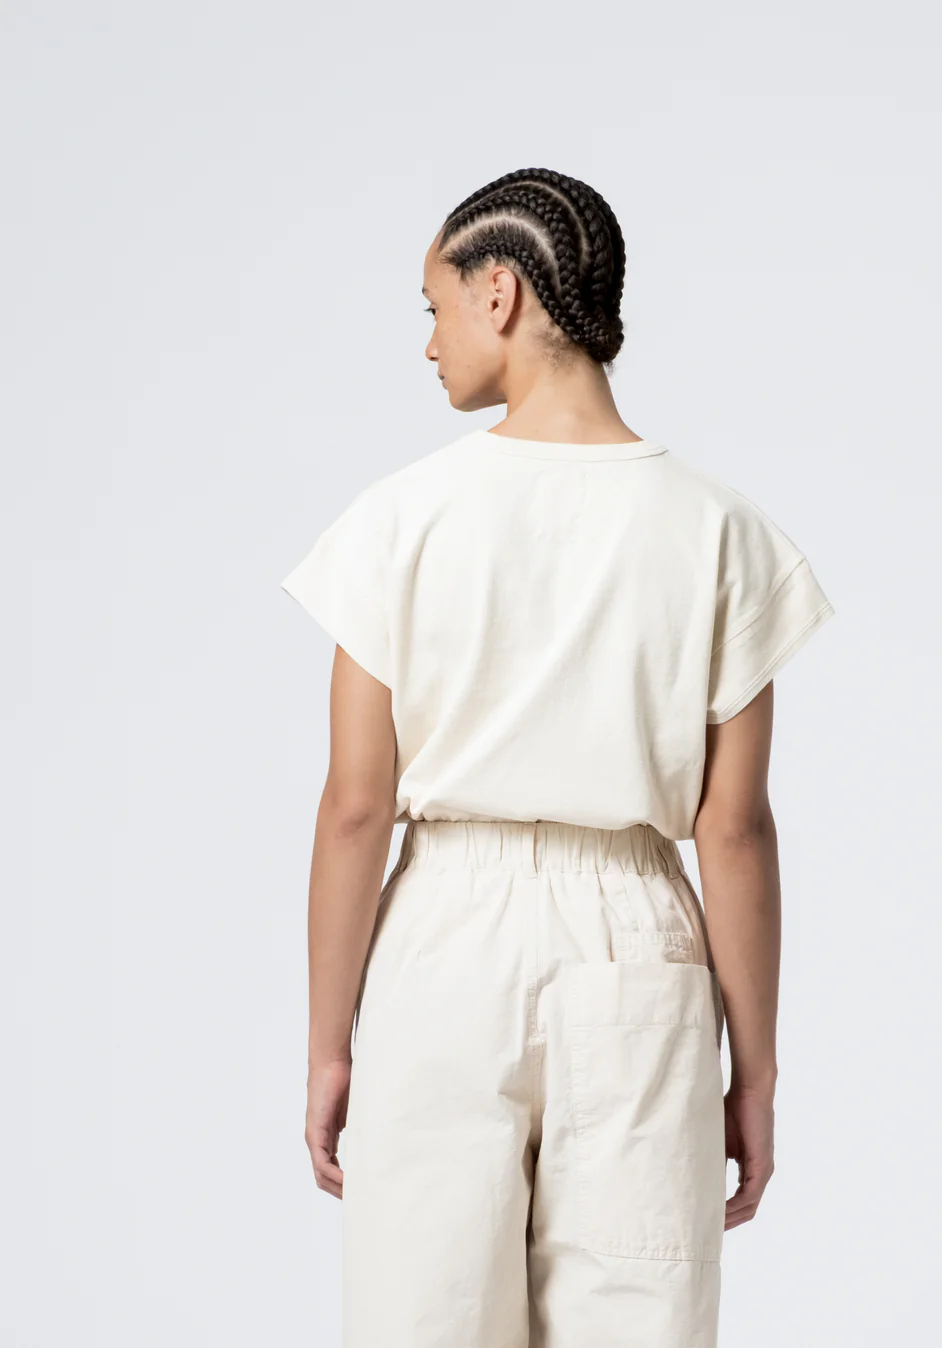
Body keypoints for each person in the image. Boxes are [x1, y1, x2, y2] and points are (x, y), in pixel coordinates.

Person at [280, 166, 835, 1348]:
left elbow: (355, 808)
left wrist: (329, 1044)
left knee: (425, 1320)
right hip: (638, 943)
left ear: (500, 293)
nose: (429, 343)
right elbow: (734, 828)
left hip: (443, 943)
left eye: (434, 306)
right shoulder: (720, 531)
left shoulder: (400, 520)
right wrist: (756, 1071)